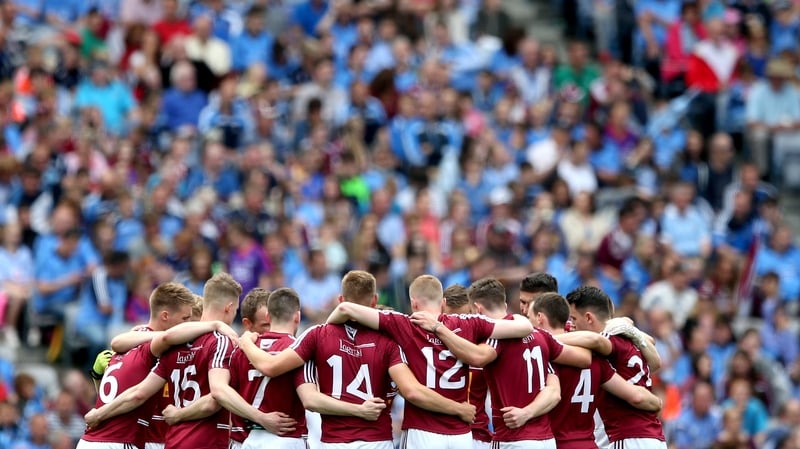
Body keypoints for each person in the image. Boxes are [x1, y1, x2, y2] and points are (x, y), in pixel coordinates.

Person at [237, 271, 477, 448]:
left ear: (341, 300)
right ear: (374, 302)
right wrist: (457, 408)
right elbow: (412, 390)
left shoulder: (318, 335)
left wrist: (247, 341)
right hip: (377, 441)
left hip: (333, 442)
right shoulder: (389, 342)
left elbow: (273, 368)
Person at [326, 274, 534, 448]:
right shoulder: (469, 323)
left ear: (414, 303)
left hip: (422, 431)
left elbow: (345, 309)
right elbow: (524, 327)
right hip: (460, 435)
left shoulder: (404, 324)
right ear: (443, 302)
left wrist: (327, 334)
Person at [410, 278, 592, 448]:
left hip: (511, 438)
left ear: (477, 309)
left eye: (471, 314)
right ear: (504, 305)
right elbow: (579, 365)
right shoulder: (541, 336)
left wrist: (438, 328)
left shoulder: (494, 340)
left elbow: (475, 358)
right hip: (545, 439)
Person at [83, 274, 243, 449]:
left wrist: (98, 380)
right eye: (185, 321)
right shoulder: (160, 347)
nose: (188, 329)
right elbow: (136, 393)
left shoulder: (136, 339)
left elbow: (117, 348)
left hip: (119, 437)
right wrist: (215, 325)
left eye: (191, 323)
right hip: (139, 437)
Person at [532, 292, 663, 449]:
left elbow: (594, 340)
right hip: (653, 435)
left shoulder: (608, 340)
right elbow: (653, 356)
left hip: (627, 435)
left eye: (573, 319)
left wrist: (542, 341)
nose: (571, 325)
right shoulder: (629, 337)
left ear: (588, 318)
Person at [442, 284, 491, 449]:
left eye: (463, 318)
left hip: (478, 436)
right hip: (440, 432)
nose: (458, 326)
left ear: (474, 312)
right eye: (451, 318)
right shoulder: (430, 346)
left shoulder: (488, 346)